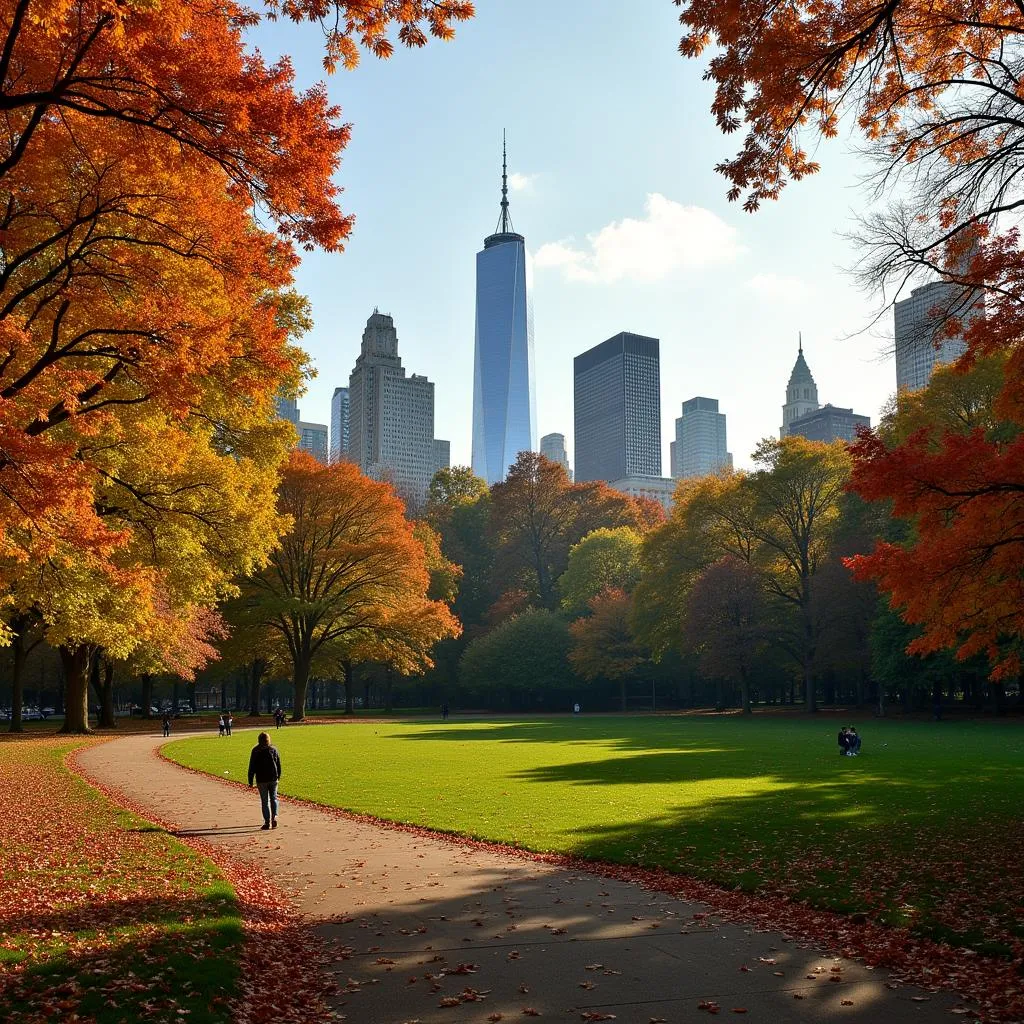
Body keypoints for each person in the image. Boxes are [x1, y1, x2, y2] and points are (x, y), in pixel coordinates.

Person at [247, 731, 282, 830]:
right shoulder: (273, 749)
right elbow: (278, 764)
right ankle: (274, 817)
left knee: (264, 801)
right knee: (274, 798)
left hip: (261, 779)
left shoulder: (256, 750)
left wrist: (250, 780)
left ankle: (267, 822)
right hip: (273, 777)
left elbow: (252, 767)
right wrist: (278, 776)